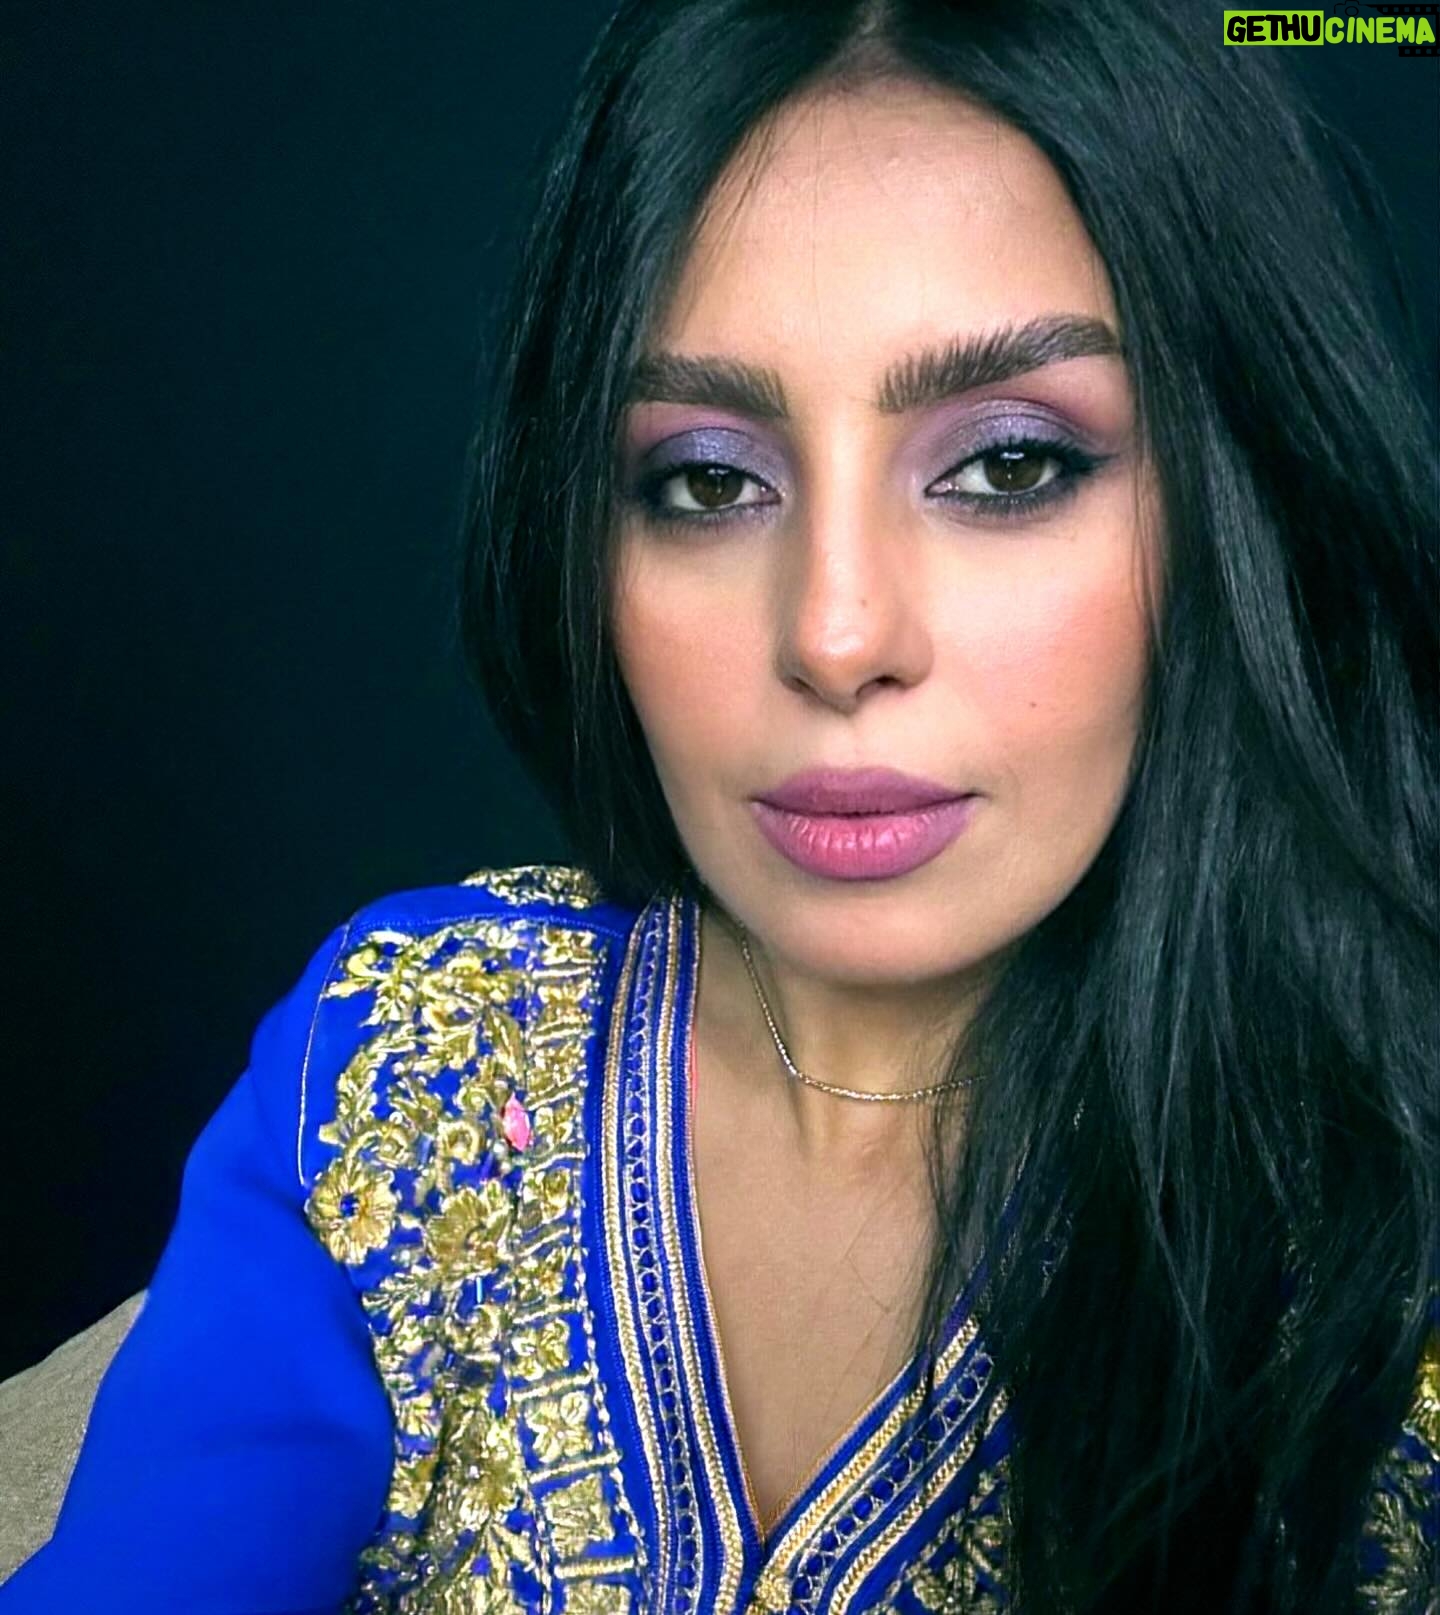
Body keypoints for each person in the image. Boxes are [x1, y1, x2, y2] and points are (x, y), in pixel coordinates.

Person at [2, 0, 1436, 1609]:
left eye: (1010, 466)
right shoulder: (410, 1054)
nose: (834, 634)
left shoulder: (1386, 1210)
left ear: (1246, 499)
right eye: (707, 478)